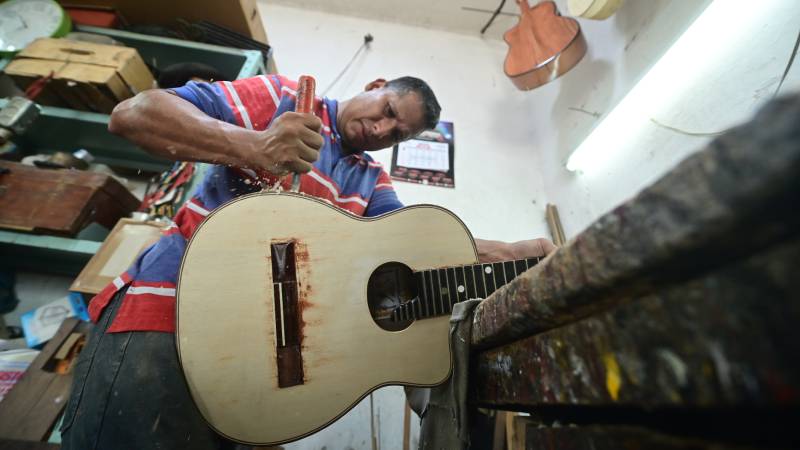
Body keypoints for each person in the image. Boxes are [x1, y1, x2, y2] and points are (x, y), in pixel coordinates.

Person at [59, 74, 556, 449]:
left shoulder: (370, 183)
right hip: (164, 321)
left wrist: (515, 255)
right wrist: (254, 144)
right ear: (375, 85)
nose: (381, 128)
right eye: (385, 109)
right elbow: (132, 115)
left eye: (395, 132)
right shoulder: (284, 99)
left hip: (252, 376)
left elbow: (419, 251)